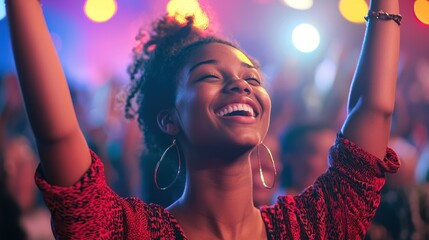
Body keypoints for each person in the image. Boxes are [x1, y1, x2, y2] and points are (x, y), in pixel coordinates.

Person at [6, 0, 401, 239]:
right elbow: (58, 136)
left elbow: (374, 108)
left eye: (252, 79)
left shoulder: (311, 228)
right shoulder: (127, 232)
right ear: (169, 119)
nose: (241, 86)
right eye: (211, 76)